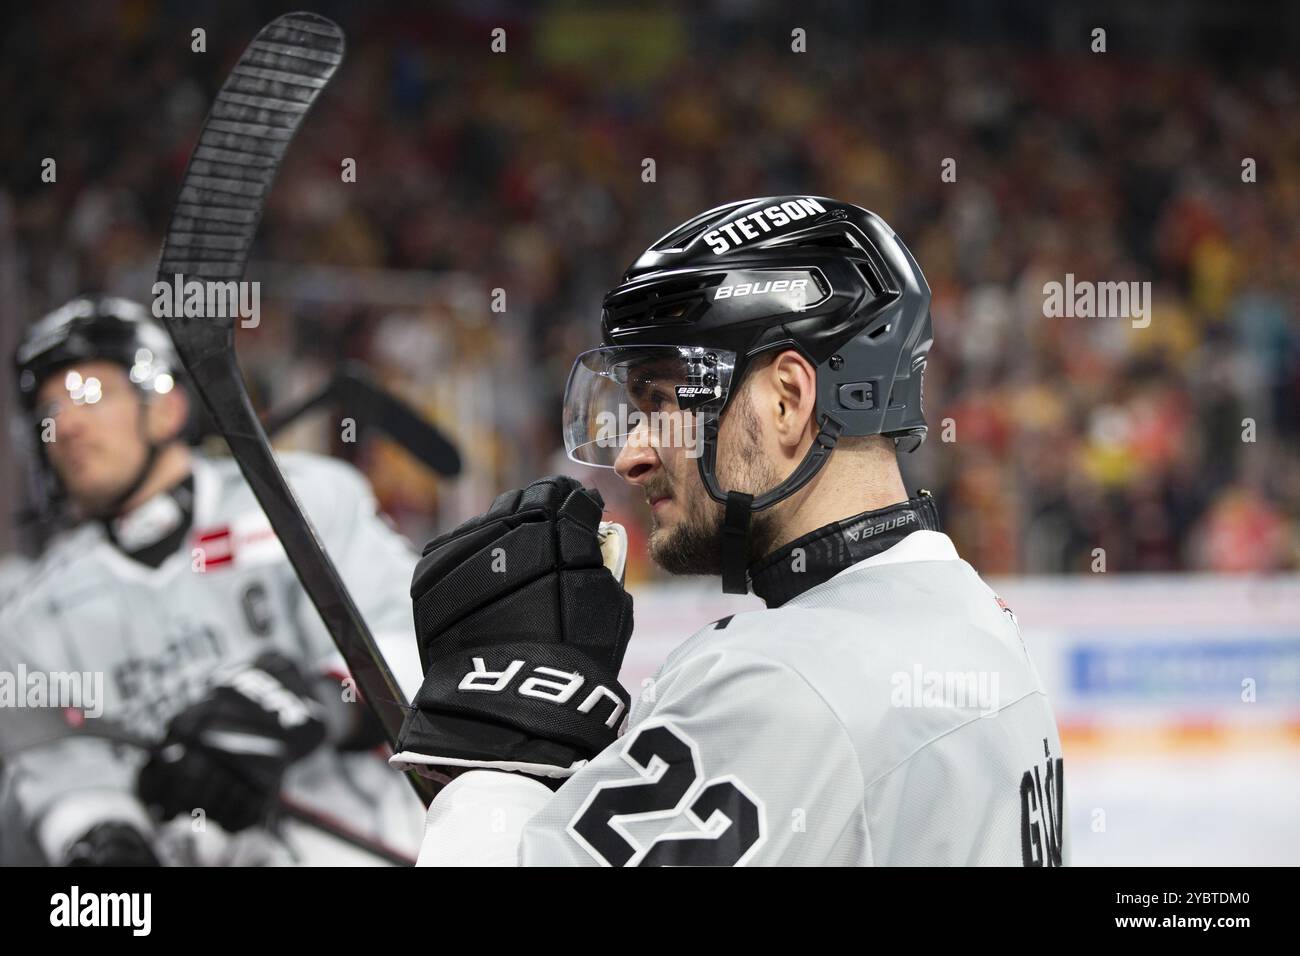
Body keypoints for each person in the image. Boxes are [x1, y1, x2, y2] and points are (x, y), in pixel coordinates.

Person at [391, 196, 1068, 866]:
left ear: (787, 401)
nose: (632, 455)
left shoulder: (783, 683)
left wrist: (491, 765)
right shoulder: (975, 616)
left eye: (664, 403)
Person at [0, 296, 425, 865]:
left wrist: (313, 702)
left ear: (165, 407)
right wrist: (104, 838)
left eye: (88, 394)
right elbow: (61, 770)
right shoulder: (33, 614)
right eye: (49, 409)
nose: (66, 424)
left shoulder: (303, 499)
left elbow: (414, 640)